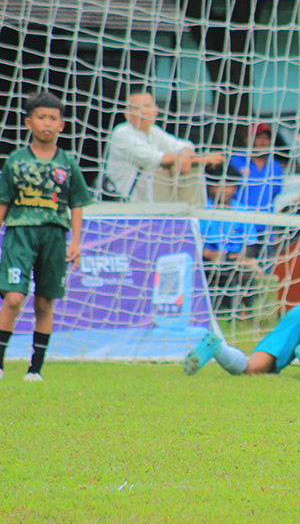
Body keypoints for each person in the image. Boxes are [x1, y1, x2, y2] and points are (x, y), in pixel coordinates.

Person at [0, 91, 92, 382]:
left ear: (62, 125)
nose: (47, 123)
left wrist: (75, 242)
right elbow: (4, 201)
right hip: (20, 234)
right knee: (13, 298)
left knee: (45, 303)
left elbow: (77, 204)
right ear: (29, 122)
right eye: (41, 117)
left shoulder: (67, 164)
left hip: (54, 237)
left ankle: (35, 369)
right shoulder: (15, 161)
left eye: (53, 118)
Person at [102, 91, 223, 202]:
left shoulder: (154, 131)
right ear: (127, 113)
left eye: (147, 107)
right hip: (119, 204)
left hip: (145, 204)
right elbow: (156, 158)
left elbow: (183, 145)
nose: (143, 111)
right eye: (137, 108)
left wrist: (185, 155)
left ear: (155, 111)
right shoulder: (122, 133)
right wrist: (201, 159)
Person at [200, 164, 263, 319]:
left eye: (230, 185)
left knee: (248, 268)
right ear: (210, 186)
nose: (225, 190)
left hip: (235, 259)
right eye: (220, 185)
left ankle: (246, 314)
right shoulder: (200, 209)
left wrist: (240, 257)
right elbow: (193, 243)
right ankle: (216, 312)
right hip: (206, 261)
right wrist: (210, 254)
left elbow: (251, 243)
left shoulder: (242, 211)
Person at [229, 123, 283, 240]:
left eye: (266, 138)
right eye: (259, 137)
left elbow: (275, 193)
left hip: (266, 228)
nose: (263, 142)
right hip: (240, 227)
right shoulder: (236, 161)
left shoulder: (275, 166)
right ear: (248, 139)